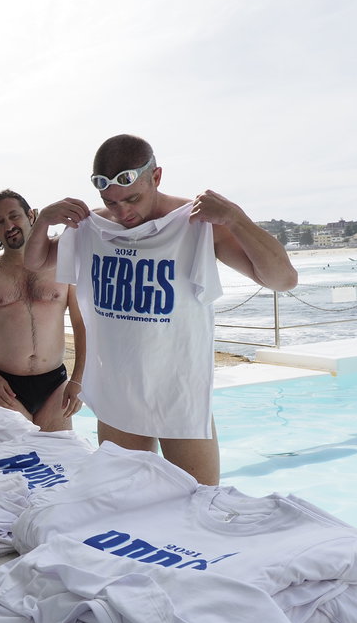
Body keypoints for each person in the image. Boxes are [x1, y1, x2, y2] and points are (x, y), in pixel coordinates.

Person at [25, 134, 298, 485]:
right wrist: (44, 220)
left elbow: (283, 279)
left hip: (179, 394)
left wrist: (235, 218)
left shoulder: (196, 223)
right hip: (117, 392)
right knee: (122, 502)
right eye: (111, 201)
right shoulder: (94, 226)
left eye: (132, 199)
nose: (122, 212)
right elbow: (35, 262)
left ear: (156, 177)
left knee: (199, 504)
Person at [0, 190, 86, 431]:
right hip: (4, 385)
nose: (9, 226)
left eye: (14, 216)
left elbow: (81, 324)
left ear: (31, 216)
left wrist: (78, 379)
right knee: (15, 465)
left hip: (55, 384)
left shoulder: (62, 265)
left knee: (61, 461)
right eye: (0, 222)